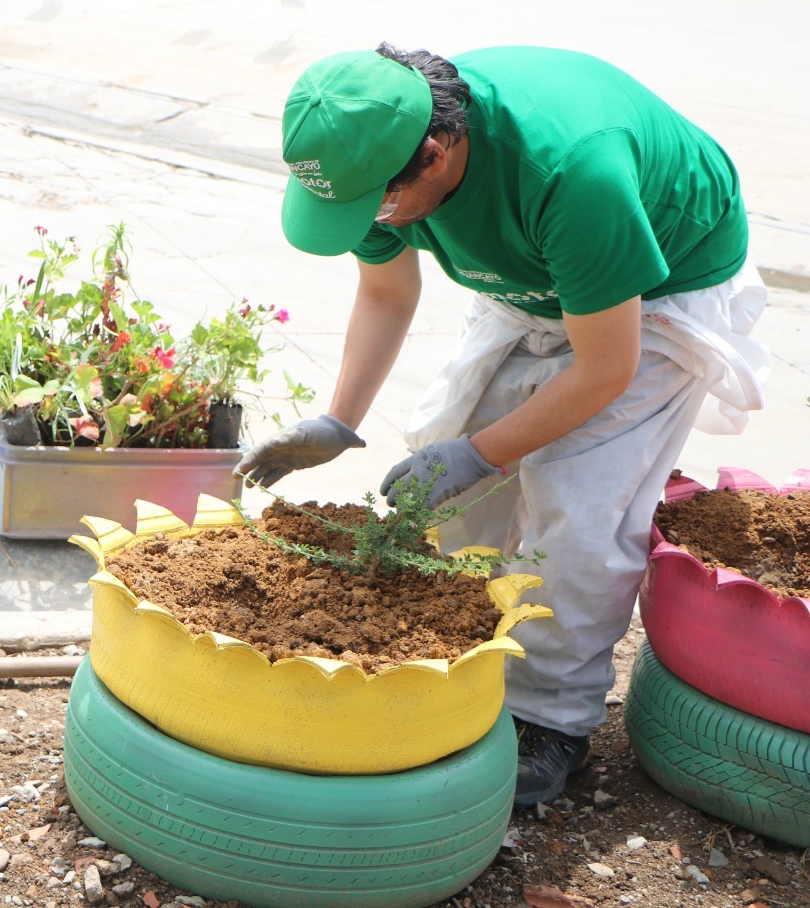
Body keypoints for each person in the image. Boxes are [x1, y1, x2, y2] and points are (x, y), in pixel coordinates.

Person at [239, 44, 768, 806]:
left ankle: (552, 718)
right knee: (455, 493)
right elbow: (387, 293)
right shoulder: (370, 156)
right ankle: (461, 653)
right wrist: (337, 419)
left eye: (375, 207)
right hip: (541, 269)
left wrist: (483, 452)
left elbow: (604, 369)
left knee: (578, 510)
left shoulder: (571, 171)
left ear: (434, 154)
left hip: (656, 286)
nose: (370, 222)